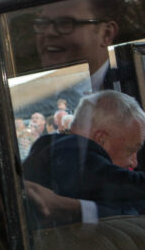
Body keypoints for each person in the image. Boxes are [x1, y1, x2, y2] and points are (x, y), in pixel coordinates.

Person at [24, 90, 145, 225]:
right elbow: (121, 187)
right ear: (101, 139)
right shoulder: (68, 152)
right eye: (130, 151)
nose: (133, 163)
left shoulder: (57, 150)